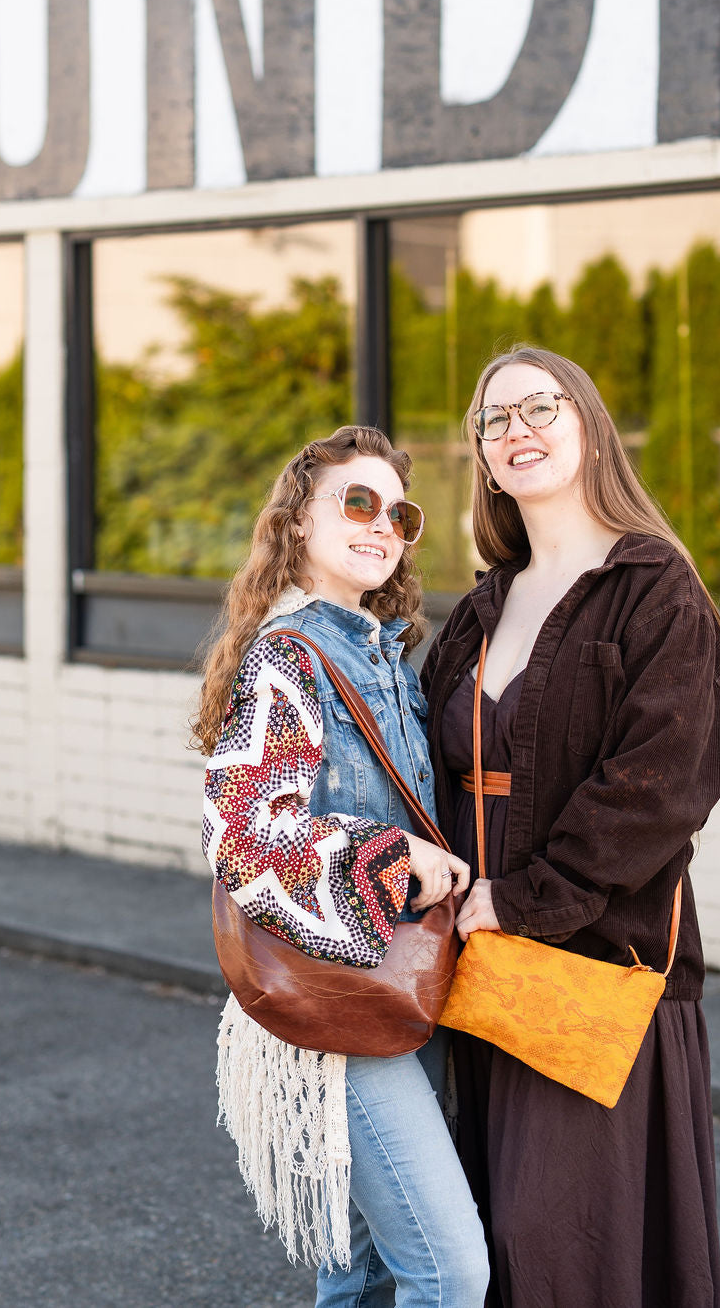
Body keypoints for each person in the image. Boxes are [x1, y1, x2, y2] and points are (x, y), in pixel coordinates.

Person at [421, 346, 720, 1308]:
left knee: (567, 1256)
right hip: (477, 971)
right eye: (495, 420)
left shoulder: (655, 588)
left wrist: (521, 900)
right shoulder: (484, 604)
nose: (517, 430)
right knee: (483, 1252)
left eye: (539, 407)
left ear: (588, 423)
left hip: (590, 974)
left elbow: (663, 783)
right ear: (481, 458)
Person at [194, 425, 490, 1308]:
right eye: (356, 502)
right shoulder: (291, 657)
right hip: (336, 1002)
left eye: (400, 512)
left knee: (360, 1275)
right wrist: (391, 857)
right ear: (296, 523)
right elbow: (246, 834)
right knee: (449, 1271)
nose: (382, 525)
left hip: (405, 981)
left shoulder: (382, 653)